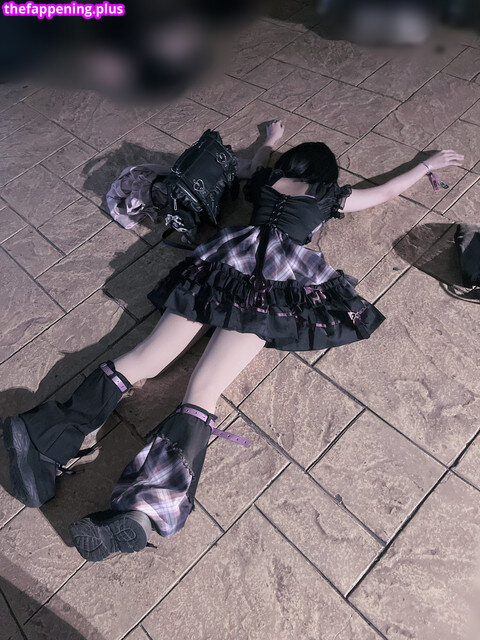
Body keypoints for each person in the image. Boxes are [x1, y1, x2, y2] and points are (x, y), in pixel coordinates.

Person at [2, 120, 464, 562]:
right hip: (274, 286)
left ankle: (41, 436)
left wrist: (269, 140)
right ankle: (145, 510)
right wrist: (426, 165)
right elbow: (384, 192)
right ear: (326, 177)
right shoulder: (328, 194)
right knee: (203, 390)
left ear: (289, 165)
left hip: (224, 264)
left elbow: (252, 164)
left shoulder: (266, 180)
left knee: (143, 358)